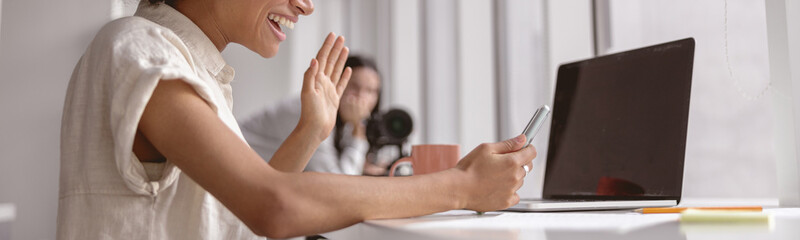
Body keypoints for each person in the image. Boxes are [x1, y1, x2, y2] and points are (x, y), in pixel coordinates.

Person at [57, 0, 537, 239]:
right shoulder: (140, 48)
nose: (305, 4)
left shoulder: (191, 67)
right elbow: (274, 206)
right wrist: (461, 185)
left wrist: (311, 131)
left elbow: (239, 222)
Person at [241, 56, 387, 176]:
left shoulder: (344, 120)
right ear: (338, 82)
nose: (361, 97)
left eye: (370, 91)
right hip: (236, 168)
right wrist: (358, 136)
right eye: (355, 86)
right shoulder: (309, 110)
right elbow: (336, 185)